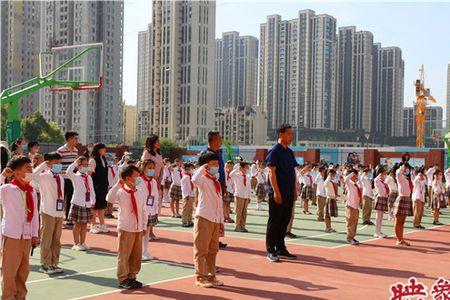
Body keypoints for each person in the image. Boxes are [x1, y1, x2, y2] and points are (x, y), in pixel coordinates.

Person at [0, 156, 39, 299]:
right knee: (10, 271)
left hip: (27, 236)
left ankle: (21, 296)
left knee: (23, 271)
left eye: (31, 168)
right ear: (16, 173)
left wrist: (35, 234)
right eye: (27, 169)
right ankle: (8, 297)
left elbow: (35, 214)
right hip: (12, 235)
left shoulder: (31, 190)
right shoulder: (7, 189)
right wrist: (3, 175)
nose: (30, 171)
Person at [107, 165, 147, 290]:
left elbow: (143, 210)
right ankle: (123, 278)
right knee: (124, 254)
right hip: (126, 227)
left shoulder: (139, 192)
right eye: (136, 176)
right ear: (128, 178)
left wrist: (144, 225)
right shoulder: (120, 191)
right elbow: (109, 198)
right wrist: (118, 185)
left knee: (136, 255)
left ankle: (132, 277)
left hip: (138, 227)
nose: (138, 178)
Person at [265, 124, 298, 262]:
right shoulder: (274, 150)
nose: (292, 136)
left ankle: (281, 246)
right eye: (289, 134)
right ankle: (270, 249)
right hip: (278, 192)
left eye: (292, 134)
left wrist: (295, 190)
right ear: (281, 134)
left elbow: (293, 172)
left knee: (284, 221)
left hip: (289, 192)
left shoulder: (289, 152)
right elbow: (271, 172)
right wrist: (276, 192)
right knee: (275, 221)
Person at [191, 152, 225, 288]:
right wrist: (203, 167)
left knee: (213, 249)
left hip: (215, 219)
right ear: (206, 165)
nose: (217, 166)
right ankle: (200, 276)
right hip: (204, 218)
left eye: (217, 164)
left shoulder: (215, 181)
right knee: (201, 249)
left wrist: (221, 221)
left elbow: (219, 202)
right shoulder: (203, 179)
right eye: (214, 164)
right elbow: (194, 180)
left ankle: (211, 276)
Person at [32, 152, 65, 274]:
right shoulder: (44, 176)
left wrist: (63, 211)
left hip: (59, 212)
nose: (58, 165)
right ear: (49, 163)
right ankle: (45, 264)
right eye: (56, 162)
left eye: (59, 162)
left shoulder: (60, 178)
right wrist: (42, 165)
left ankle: (54, 263)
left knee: (56, 240)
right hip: (48, 211)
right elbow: (32, 175)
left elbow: (61, 195)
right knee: (47, 239)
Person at [198, 131, 228, 249]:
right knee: (208, 213)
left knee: (217, 212)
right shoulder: (206, 154)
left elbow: (221, 171)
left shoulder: (218, 153)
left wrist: (223, 185)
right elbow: (201, 173)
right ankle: (208, 238)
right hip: (208, 187)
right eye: (220, 139)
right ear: (214, 140)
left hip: (218, 186)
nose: (221, 141)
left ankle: (215, 237)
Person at [66, 157, 96, 251]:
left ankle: (82, 242)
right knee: (78, 224)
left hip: (87, 203)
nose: (85, 167)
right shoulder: (75, 176)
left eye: (87, 165)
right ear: (78, 166)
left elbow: (91, 190)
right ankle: (76, 243)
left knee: (84, 224)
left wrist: (93, 200)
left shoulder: (89, 177)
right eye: (83, 165)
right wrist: (75, 163)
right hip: (78, 202)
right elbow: (68, 172)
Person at [136, 159, 159, 261]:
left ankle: (145, 251)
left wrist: (156, 210)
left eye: (153, 168)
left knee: (147, 231)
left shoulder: (153, 181)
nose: (151, 170)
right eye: (149, 168)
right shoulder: (138, 180)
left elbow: (156, 196)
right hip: (141, 210)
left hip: (151, 210)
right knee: (141, 232)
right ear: (143, 168)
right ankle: (139, 252)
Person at [57, 131, 79, 227]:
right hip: (62, 178)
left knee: (71, 198)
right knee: (61, 198)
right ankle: (59, 219)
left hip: (72, 178)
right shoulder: (61, 150)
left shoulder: (76, 151)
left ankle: (69, 219)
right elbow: (57, 163)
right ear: (69, 139)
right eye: (75, 138)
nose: (77, 140)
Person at [88, 143, 109, 234]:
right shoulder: (93, 160)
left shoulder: (103, 159)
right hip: (95, 186)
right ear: (98, 149)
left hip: (103, 186)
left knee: (102, 206)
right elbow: (89, 175)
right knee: (94, 207)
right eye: (103, 148)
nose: (104, 150)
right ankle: (93, 225)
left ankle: (102, 224)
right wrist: (89, 186)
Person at [141, 135, 164, 214]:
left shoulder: (159, 154)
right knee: (147, 196)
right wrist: (153, 178)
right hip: (148, 180)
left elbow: (161, 168)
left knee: (158, 198)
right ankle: (147, 214)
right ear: (152, 142)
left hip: (157, 180)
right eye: (157, 141)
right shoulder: (147, 153)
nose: (159, 143)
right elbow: (145, 167)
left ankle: (155, 214)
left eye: (159, 141)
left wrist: (159, 180)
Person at [394, 163, 413, 246]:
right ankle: (399, 239)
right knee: (399, 220)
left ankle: (401, 239)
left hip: (407, 198)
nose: (406, 169)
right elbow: (397, 173)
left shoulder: (405, 177)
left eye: (407, 167)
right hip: (402, 198)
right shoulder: (399, 175)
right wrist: (401, 168)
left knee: (402, 221)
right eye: (405, 167)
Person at [230, 161, 251, 232]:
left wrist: (249, 197)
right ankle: (237, 226)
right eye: (246, 167)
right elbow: (230, 175)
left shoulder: (247, 176)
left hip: (245, 196)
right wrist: (237, 168)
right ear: (242, 167)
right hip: (239, 195)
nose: (248, 168)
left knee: (244, 212)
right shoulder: (237, 175)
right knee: (238, 212)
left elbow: (249, 187)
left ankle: (243, 226)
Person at [344, 169, 361, 245]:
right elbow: (345, 179)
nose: (356, 176)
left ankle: (352, 237)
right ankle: (349, 238)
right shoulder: (349, 183)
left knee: (355, 223)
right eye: (355, 175)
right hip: (351, 205)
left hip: (356, 205)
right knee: (350, 222)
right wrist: (351, 173)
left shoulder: (355, 184)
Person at [373, 166, 389, 238]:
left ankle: (379, 231)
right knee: (378, 216)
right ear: (381, 172)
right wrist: (380, 175)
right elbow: (376, 181)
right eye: (384, 171)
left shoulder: (383, 179)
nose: (386, 172)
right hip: (380, 197)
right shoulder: (377, 180)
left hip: (384, 197)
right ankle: (376, 232)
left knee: (381, 216)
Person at [181, 163, 196, 227]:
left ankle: (189, 220)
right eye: (186, 169)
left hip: (192, 194)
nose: (188, 170)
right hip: (187, 195)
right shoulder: (185, 177)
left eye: (189, 169)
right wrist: (186, 195)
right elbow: (184, 188)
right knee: (186, 209)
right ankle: (184, 221)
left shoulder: (191, 176)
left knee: (190, 209)